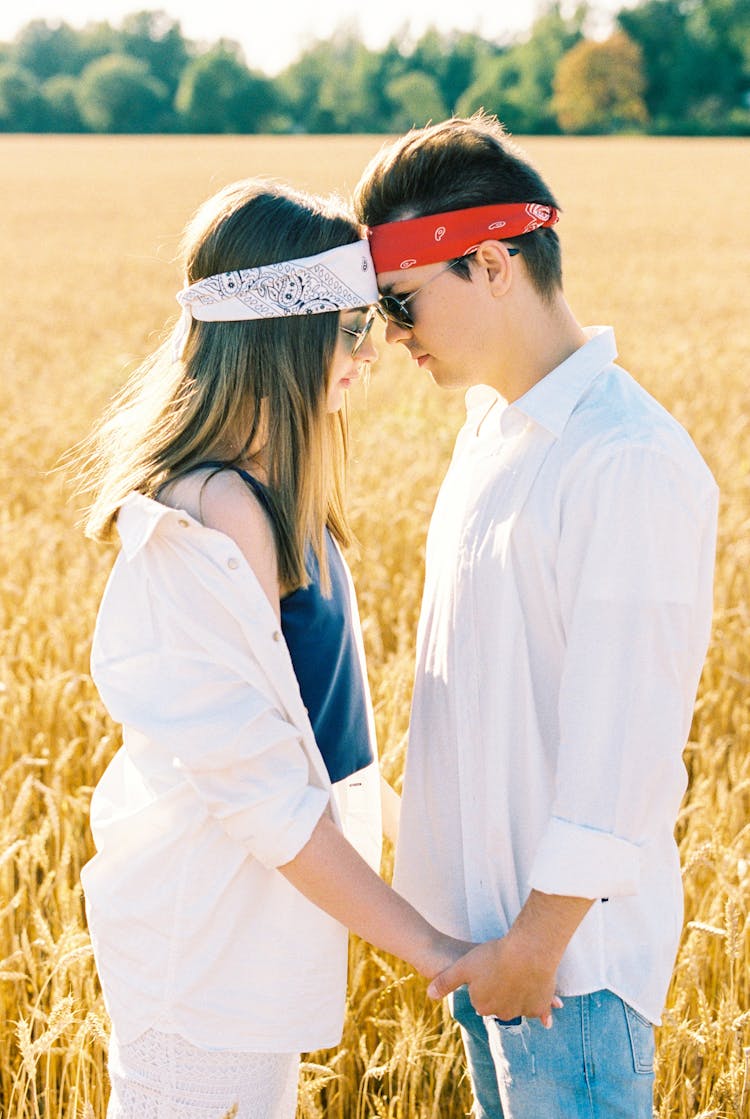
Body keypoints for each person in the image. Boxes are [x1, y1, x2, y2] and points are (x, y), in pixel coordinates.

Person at [76, 178, 469, 1119]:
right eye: (351, 328)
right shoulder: (206, 520)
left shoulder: (277, 504)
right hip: (201, 954)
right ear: (279, 333)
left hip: (254, 955)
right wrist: (443, 954)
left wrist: (469, 888)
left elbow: (335, 752)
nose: (371, 354)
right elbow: (265, 799)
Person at [353, 113, 719, 1119]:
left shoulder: (622, 460)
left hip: (571, 974)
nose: (391, 335)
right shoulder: (492, 432)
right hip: (491, 952)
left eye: (401, 300)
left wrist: (536, 945)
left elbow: (626, 741)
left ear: (490, 262)